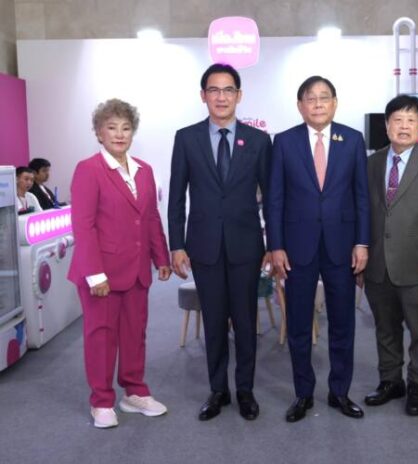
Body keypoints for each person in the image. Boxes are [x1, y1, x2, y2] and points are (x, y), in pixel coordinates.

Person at [168, 63, 272, 422]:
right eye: (214, 90)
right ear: (203, 96)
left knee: (245, 321)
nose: (221, 97)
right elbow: (177, 196)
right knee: (213, 321)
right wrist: (176, 244)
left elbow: (272, 197)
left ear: (239, 95)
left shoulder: (258, 141)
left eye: (228, 90)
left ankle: (245, 390)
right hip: (204, 246)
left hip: (246, 246)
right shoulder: (186, 138)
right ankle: (218, 390)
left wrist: (274, 244)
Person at [267, 75, 369, 423]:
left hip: (342, 247)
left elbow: (361, 197)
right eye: (310, 98)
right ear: (300, 106)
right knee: (298, 323)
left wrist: (362, 242)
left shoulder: (352, 140)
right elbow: (275, 198)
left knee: (343, 322)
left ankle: (340, 391)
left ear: (335, 103)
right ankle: (303, 393)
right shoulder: (284, 142)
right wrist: (276, 245)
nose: (318, 104)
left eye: (324, 97)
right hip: (298, 248)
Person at [67, 98, 171, 429]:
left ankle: (134, 392)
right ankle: (101, 401)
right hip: (101, 273)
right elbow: (83, 226)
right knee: (101, 336)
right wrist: (94, 274)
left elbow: (151, 217)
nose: (119, 134)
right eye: (111, 127)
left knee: (134, 334)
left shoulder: (144, 170)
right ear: (99, 133)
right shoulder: (89, 169)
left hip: (137, 270)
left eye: (126, 128)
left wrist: (161, 256)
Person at [363, 95, 418, 416]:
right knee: (385, 329)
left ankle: (417, 384)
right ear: (387, 125)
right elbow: (363, 213)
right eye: (397, 120)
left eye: (410, 120)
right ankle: (390, 381)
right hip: (377, 265)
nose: (403, 126)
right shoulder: (371, 163)